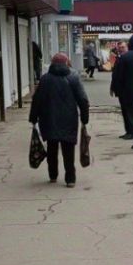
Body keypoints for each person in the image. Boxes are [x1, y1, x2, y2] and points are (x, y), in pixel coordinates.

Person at [29, 53, 89, 188]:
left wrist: (33, 117)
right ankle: (70, 179)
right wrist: (84, 118)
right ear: (67, 63)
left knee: (52, 147)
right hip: (69, 119)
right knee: (68, 149)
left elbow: (37, 100)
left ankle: (53, 175)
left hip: (48, 118)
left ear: (52, 63)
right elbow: (83, 99)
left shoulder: (45, 79)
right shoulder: (73, 78)